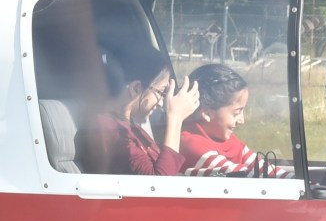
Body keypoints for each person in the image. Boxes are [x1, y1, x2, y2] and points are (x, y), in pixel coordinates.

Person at [82, 46, 200, 175]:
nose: (161, 103)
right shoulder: (109, 128)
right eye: (161, 92)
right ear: (136, 89)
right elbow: (156, 187)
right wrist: (176, 119)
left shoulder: (130, 126)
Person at [179, 63, 293, 178]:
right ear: (207, 113)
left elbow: (262, 168)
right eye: (236, 113)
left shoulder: (226, 140)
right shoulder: (191, 145)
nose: (242, 121)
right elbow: (244, 176)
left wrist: (295, 179)